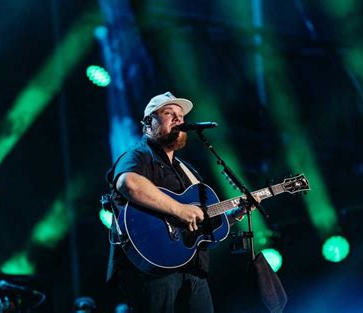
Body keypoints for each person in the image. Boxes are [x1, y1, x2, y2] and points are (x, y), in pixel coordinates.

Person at [106, 92, 254, 313]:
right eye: (169, 113)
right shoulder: (138, 156)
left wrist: (233, 215)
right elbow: (130, 183)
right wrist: (179, 209)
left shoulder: (188, 171)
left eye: (181, 116)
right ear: (149, 122)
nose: (178, 119)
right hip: (154, 268)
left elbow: (198, 219)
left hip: (193, 268)